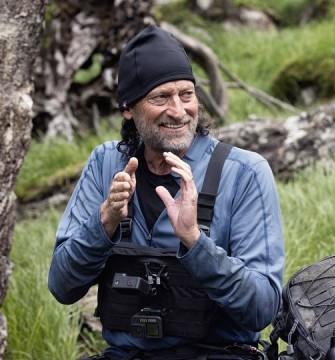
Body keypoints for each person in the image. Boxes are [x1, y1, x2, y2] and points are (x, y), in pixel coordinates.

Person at [48, 25, 285, 359]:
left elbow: (262, 308)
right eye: (160, 97)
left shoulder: (244, 173)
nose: (178, 110)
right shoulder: (105, 164)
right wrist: (104, 222)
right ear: (128, 107)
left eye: (186, 95)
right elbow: (62, 286)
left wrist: (194, 241)